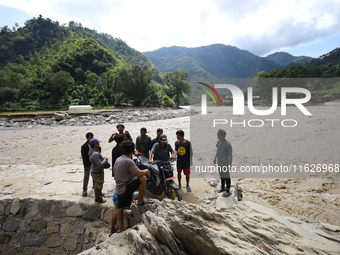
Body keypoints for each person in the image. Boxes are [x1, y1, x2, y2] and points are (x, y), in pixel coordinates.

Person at [111, 141, 152, 234]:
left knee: (120, 208)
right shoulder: (129, 161)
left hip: (118, 189)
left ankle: (122, 228)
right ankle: (141, 199)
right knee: (143, 178)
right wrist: (146, 170)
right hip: (125, 189)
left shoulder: (118, 159)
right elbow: (138, 173)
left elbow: (114, 169)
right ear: (133, 151)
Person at [213, 129, 233, 197]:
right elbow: (218, 150)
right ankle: (222, 187)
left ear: (223, 136)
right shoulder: (218, 142)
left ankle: (228, 191)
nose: (218, 137)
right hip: (219, 162)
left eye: (219, 136)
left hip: (225, 163)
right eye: (217, 135)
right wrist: (215, 158)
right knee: (221, 175)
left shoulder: (227, 144)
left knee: (226, 176)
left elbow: (230, 154)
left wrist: (230, 164)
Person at [89, 138, 109, 203]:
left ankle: (99, 194)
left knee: (98, 184)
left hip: (95, 171)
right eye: (98, 143)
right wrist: (105, 160)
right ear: (95, 144)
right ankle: (98, 199)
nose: (99, 144)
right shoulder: (95, 154)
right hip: (97, 172)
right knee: (98, 186)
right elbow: (100, 165)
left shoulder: (92, 151)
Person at [81, 132, 98, 197]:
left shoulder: (94, 144)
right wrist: (86, 166)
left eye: (92, 137)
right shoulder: (84, 146)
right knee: (86, 176)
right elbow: (84, 157)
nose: (91, 139)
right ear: (87, 138)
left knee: (95, 175)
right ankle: (84, 189)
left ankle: (94, 186)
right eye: (90, 137)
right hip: (88, 163)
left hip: (94, 163)